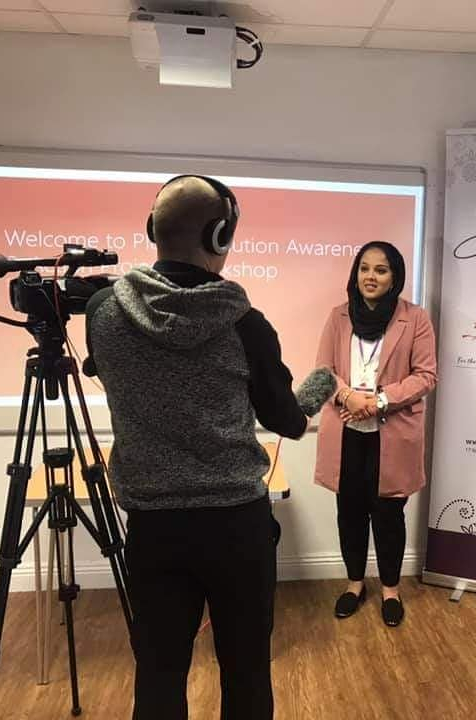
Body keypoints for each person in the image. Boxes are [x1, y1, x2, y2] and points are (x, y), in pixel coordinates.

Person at [85, 175, 308, 720]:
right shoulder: (246, 325)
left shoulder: (102, 312)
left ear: (152, 230)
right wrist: (318, 390)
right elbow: (288, 421)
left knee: (159, 673)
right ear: (221, 235)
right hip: (235, 526)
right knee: (246, 670)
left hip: (153, 527)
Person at [313, 241, 437, 627]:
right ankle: (354, 585)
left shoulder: (415, 319)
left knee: (388, 515)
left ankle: (389, 589)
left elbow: (426, 375)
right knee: (348, 513)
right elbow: (323, 370)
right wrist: (348, 395)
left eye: (381, 270)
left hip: (392, 433)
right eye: (364, 268)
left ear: (394, 277)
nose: (371, 277)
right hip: (346, 431)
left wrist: (379, 400)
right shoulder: (338, 317)